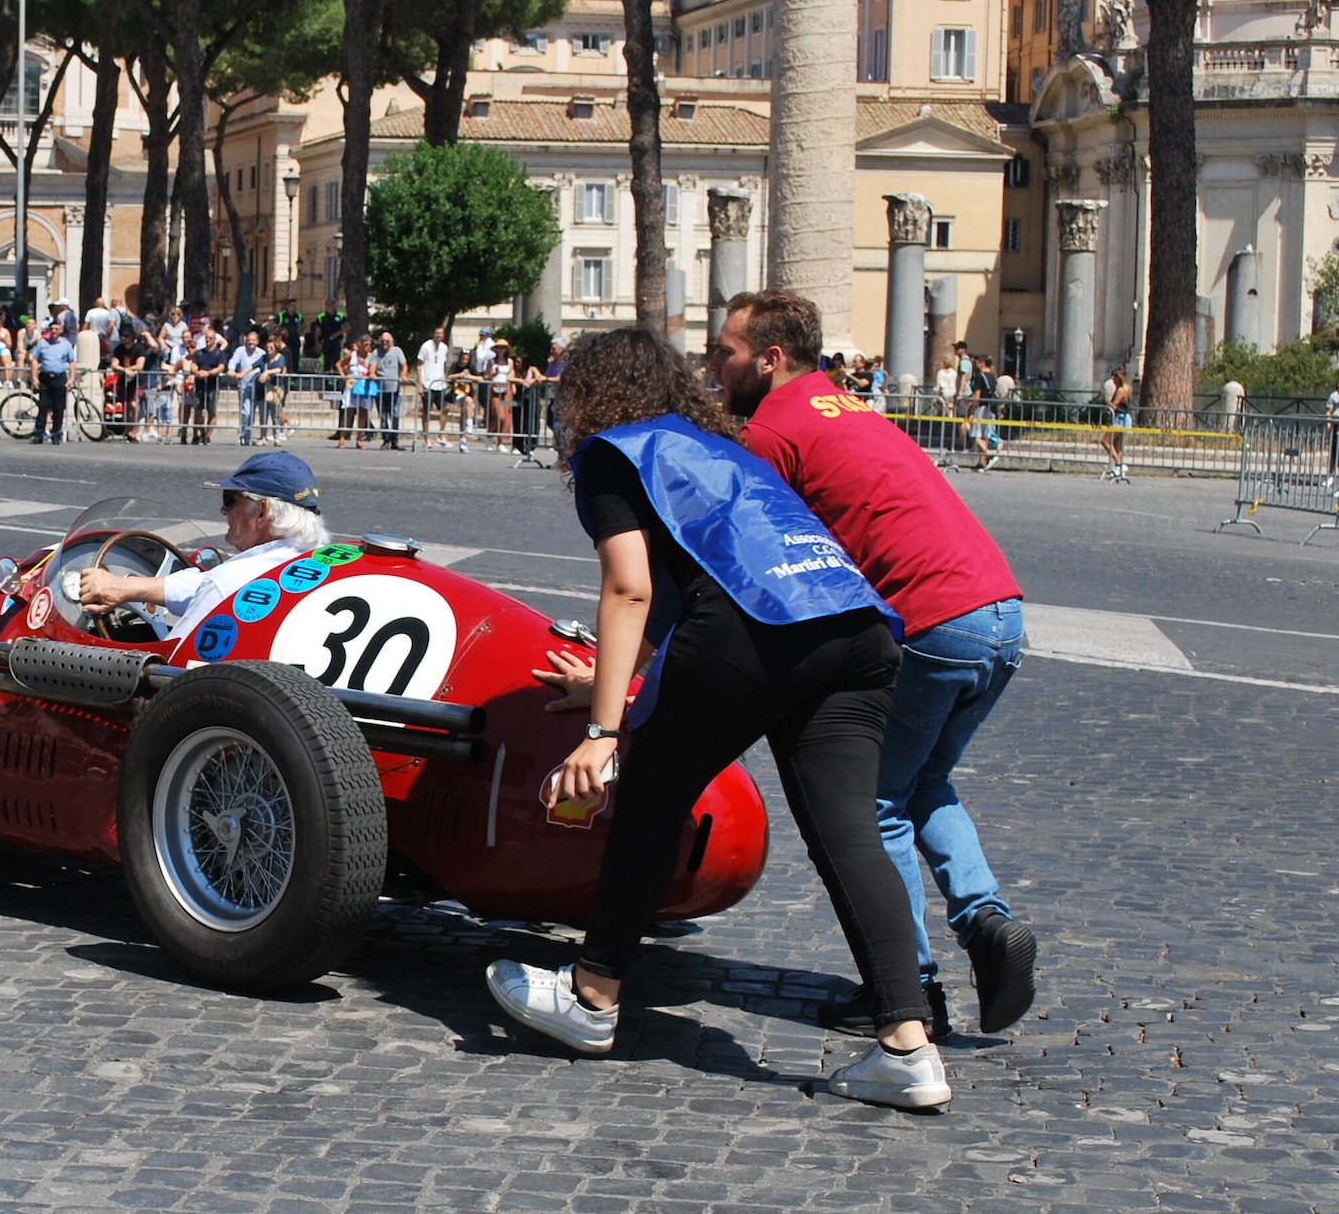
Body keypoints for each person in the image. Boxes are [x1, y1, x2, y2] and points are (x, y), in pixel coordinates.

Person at [486, 326, 945, 1111]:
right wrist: (614, 682)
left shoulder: (615, 452)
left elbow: (632, 591)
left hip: (757, 633)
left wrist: (601, 733)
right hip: (856, 626)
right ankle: (909, 1047)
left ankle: (592, 996)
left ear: (589, 395)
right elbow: (688, 589)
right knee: (848, 835)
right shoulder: (722, 448)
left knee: (651, 799)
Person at [709, 290, 1036, 1038]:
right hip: (1000, 611)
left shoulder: (771, 432)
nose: (714, 366)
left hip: (932, 620)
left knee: (875, 801)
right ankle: (984, 917)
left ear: (770, 358)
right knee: (922, 780)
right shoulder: (846, 405)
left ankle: (910, 985)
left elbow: (756, 561)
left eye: (724, 352)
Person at [78, 450, 331, 638]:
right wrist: (128, 587)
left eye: (231, 499)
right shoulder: (319, 560)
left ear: (263, 512)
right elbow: (202, 586)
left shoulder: (230, 582)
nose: (223, 510)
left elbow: (170, 665)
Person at [28, 319, 75, 444]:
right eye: (52, 329)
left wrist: (71, 378)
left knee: (58, 408)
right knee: (43, 407)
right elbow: (34, 360)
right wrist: (34, 377)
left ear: (61, 330)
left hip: (60, 378)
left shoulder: (66, 344)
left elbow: (71, 362)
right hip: (45, 378)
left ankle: (56, 434)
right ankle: (39, 433)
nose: (54, 331)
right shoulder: (42, 343)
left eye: (56, 329)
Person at [417, 324, 451, 449]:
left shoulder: (444, 348)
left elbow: (442, 364)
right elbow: (419, 365)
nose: (439, 336)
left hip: (440, 383)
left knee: (446, 408)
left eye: (441, 333)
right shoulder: (426, 346)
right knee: (427, 411)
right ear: (433, 334)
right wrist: (420, 384)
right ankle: (426, 437)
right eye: (437, 333)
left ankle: (440, 435)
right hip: (428, 383)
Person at [1100, 365, 1134, 482]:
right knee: (1117, 446)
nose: (1112, 381)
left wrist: (1108, 402)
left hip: (1120, 418)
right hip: (1125, 418)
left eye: (1114, 378)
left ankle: (1119, 464)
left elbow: (1115, 405)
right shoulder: (1128, 389)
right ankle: (1118, 468)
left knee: (1105, 441)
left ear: (1117, 378)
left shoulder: (1120, 390)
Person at [374, 330, 407, 449]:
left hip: (394, 388)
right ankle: (386, 440)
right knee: (383, 415)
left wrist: (403, 375)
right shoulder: (376, 352)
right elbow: (372, 367)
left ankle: (395, 440)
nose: (384, 344)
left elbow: (404, 365)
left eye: (387, 341)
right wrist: (372, 373)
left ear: (391, 341)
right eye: (382, 341)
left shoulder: (397, 351)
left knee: (395, 414)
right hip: (380, 389)